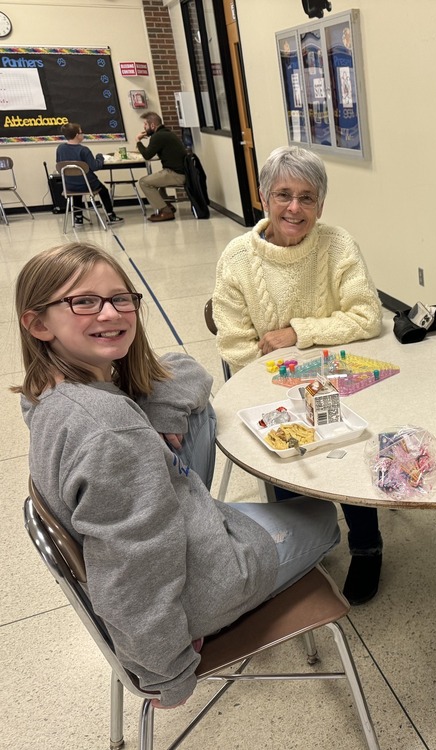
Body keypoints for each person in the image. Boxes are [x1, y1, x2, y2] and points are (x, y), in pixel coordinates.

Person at [14, 242, 341, 709]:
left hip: (176, 530)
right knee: (324, 517)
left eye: (120, 298)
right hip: (199, 585)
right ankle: (219, 603)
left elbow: (183, 369)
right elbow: (133, 576)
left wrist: (162, 415)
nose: (109, 313)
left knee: (196, 412)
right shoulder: (112, 433)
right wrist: (167, 672)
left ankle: (209, 517)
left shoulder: (52, 393)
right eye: (83, 301)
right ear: (38, 322)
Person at [213, 145, 384, 605]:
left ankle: (367, 544)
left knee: (351, 440)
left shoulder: (337, 243)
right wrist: (289, 384)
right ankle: (301, 546)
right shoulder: (237, 258)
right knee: (288, 454)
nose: (295, 208)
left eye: (307, 197)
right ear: (264, 198)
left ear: (321, 205)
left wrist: (298, 333)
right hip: (267, 384)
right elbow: (236, 346)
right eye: (284, 195)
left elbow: (368, 317)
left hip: (334, 379)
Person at [55, 123, 123, 225]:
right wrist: (100, 157)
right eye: (82, 132)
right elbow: (95, 166)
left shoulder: (60, 148)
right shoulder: (83, 150)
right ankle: (110, 215)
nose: (83, 134)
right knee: (103, 190)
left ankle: (78, 218)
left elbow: (59, 163)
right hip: (87, 184)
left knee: (76, 193)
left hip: (69, 185)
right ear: (77, 135)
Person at [135, 112, 188, 223]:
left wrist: (138, 141)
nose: (144, 128)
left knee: (144, 182)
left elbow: (147, 155)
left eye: (145, 125)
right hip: (182, 171)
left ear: (153, 125)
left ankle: (166, 211)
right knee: (156, 180)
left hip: (176, 174)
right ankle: (168, 205)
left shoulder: (158, 137)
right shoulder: (166, 133)